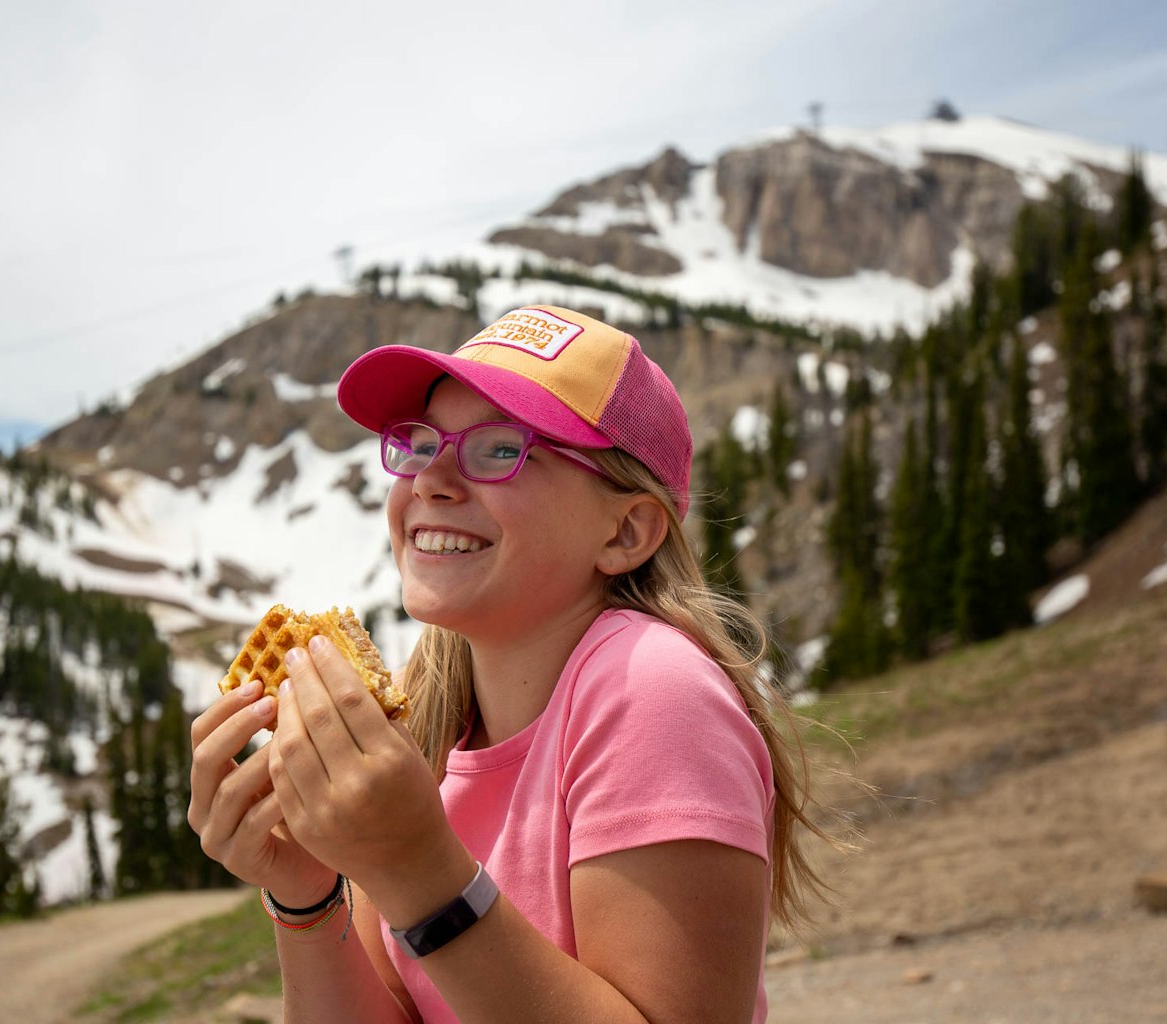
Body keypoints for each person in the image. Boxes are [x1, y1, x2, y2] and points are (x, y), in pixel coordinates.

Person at [189, 306, 837, 1023]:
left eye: (500, 449)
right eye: (420, 442)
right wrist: (307, 892)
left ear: (625, 530)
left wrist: (419, 871)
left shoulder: (651, 688)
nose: (431, 479)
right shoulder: (422, 724)